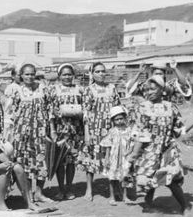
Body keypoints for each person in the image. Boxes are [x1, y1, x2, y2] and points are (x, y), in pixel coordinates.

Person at [127, 75, 193, 214]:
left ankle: (185, 207)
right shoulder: (142, 107)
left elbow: (178, 131)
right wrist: (134, 153)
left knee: (171, 181)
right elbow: (138, 132)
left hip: (166, 150)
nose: (149, 92)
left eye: (153, 89)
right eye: (147, 89)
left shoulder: (171, 108)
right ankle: (148, 205)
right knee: (150, 178)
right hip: (148, 151)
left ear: (162, 90)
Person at [9, 63, 52, 203]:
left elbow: (50, 109)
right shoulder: (17, 91)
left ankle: (39, 193)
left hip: (40, 131)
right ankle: (27, 194)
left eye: (32, 74)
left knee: (41, 160)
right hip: (22, 133)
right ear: (21, 75)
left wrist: (51, 130)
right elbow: (12, 113)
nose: (30, 77)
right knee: (25, 162)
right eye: (27, 74)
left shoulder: (43, 89)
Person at [78, 62, 121, 201]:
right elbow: (86, 113)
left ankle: (113, 192)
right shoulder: (88, 90)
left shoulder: (112, 88)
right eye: (97, 71)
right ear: (92, 74)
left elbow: (117, 109)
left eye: (103, 71)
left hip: (110, 128)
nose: (101, 74)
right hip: (94, 129)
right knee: (91, 159)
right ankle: (89, 190)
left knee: (111, 159)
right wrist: (87, 133)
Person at [48, 63, 84, 201]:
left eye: (69, 74)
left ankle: (69, 189)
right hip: (60, 130)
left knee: (71, 162)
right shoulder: (53, 90)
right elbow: (50, 112)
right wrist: (52, 130)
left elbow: (85, 109)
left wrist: (79, 113)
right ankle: (60, 189)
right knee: (60, 161)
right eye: (64, 74)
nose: (67, 77)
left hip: (75, 131)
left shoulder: (80, 90)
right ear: (59, 76)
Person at [100, 106, 135, 206]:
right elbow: (107, 145)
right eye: (116, 119)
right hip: (114, 158)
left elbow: (132, 143)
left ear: (125, 118)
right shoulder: (112, 131)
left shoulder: (129, 131)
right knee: (112, 178)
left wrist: (131, 154)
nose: (119, 121)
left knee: (125, 176)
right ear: (113, 121)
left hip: (125, 157)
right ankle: (112, 196)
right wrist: (107, 158)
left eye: (121, 118)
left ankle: (125, 196)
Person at [126, 59, 192, 101]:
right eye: (156, 74)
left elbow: (183, 84)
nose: (158, 76)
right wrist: (139, 72)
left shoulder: (168, 87)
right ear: (152, 74)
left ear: (164, 75)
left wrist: (175, 68)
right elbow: (129, 87)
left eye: (160, 74)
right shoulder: (146, 86)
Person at [3, 68, 21, 142]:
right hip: (11, 118)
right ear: (13, 76)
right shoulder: (11, 87)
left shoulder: (20, 87)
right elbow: (9, 104)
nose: (20, 77)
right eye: (18, 75)